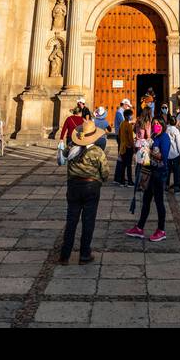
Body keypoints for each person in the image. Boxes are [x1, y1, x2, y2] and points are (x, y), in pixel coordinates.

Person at [61, 120, 110, 264]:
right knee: (88, 221)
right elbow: (105, 172)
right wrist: (100, 179)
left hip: (73, 187)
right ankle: (84, 254)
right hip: (91, 188)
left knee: (71, 221)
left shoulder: (71, 148)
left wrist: (74, 142)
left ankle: (65, 255)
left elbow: (64, 153)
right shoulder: (97, 152)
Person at [127, 120, 169, 242]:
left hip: (159, 174)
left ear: (163, 125)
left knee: (159, 202)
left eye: (158, 124)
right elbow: (146, 145)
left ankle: (161, 230)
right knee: (146, 201)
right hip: (150, 172)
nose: (156, 126)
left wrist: (149, 151)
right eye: (154, 123)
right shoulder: (155, 136)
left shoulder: (164, 138)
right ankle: (139, 228)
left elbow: (163, 157)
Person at [114, 108, 135, 185]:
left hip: (122, 147)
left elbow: (119, 135)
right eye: (131, 115)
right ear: (127, 116)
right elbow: (130, 138)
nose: (132, 116)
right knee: (129, 165)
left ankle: (122, 180)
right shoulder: (128, 125)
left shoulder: (122, 124)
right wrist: (133, 147)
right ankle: (130, 181)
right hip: (128, 147)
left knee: (123, 164)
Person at [165, 114, 180, 191]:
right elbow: (178, 142)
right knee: (176, 170)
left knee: (167, 170)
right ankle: (177, 186)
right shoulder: (176, 130)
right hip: (175, 153)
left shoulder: (166, 128)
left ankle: (166, 185)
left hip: (167, 153)